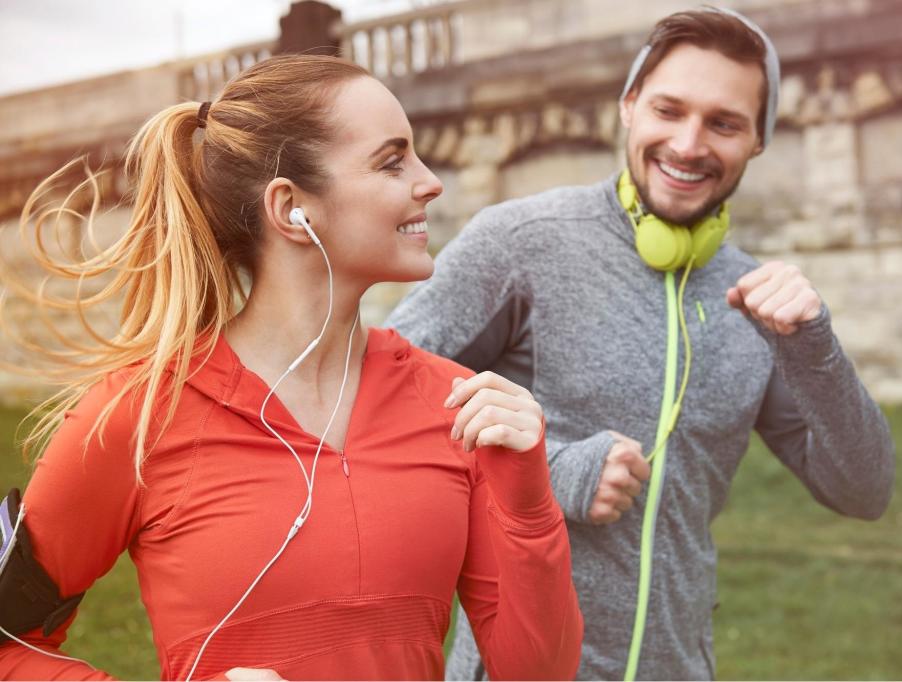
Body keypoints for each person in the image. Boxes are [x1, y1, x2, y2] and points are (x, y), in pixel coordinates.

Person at [0, 54, 582, 681]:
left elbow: (538, 672)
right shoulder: (138, 414)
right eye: (393, 161)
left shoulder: (457, 405)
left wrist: (526, 501)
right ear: (291, 209)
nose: (431, 180)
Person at [386, 7, 895, 680]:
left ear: (759, 141)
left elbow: (864, 489)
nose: (688, 144)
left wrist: (814, 346)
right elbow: (376, 393)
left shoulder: (760, 301)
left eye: (724, 122)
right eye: (668, 109)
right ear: (628, 106)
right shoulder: (520, 242)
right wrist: (549, 467)